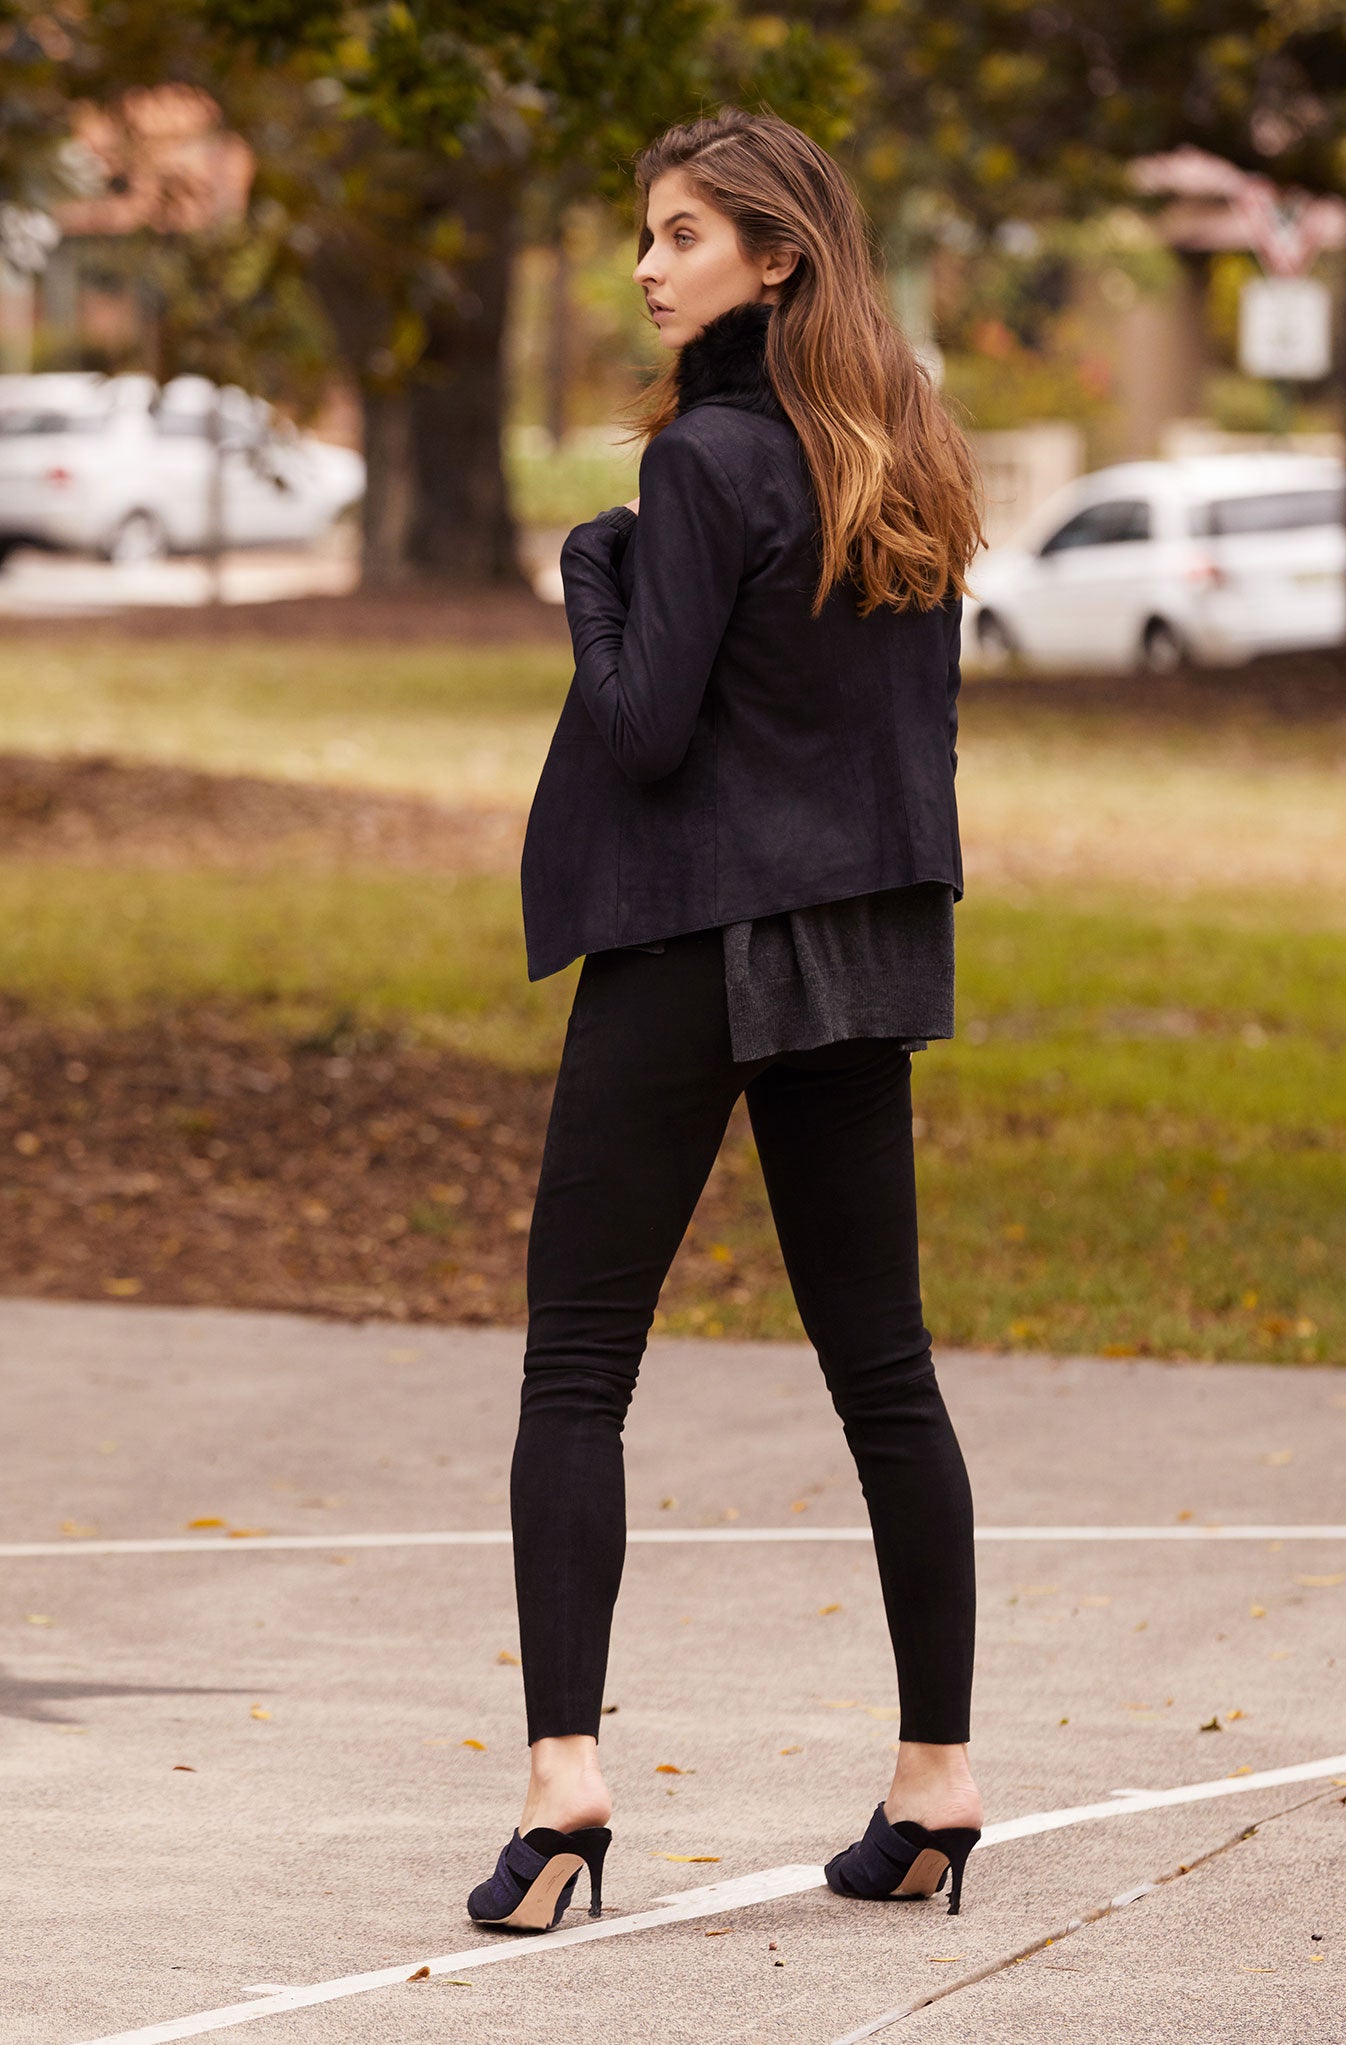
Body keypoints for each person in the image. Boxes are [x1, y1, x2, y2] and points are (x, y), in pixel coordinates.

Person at [466, 107, 985, 1937]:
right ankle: (934, 1785)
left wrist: (589, 570)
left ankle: (563, 1791)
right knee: (886, 1372)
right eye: (645, 233)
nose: (645, 266)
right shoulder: (903, 451)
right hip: (863, 941)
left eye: (680, 233)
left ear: (777, 256)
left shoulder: (704, 462)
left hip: (692, 936)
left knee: (576, 1367)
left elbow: (642, 730)